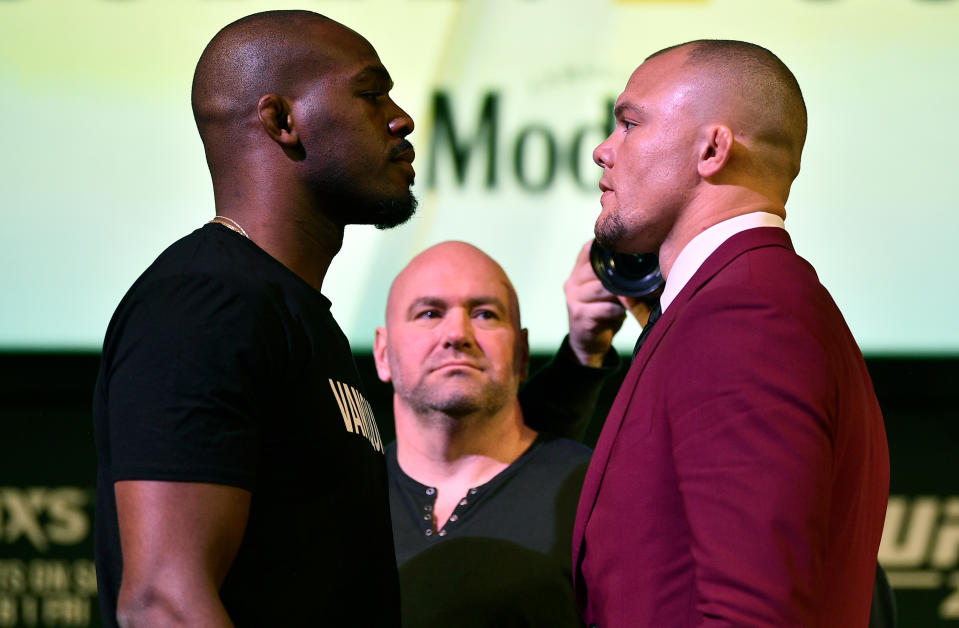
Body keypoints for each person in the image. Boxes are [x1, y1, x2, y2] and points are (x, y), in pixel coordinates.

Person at [93, 10, 416, 626]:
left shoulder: (293, 314)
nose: (401, 118)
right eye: (373, 94)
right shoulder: (206, 305)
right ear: (282, 120)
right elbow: (163, 603)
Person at [574, 40, 890, 627]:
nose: (603, 150)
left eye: (629, 123)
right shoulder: (747, 300)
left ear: (712, 149)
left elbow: (752, 612)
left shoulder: (743, 315)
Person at [372, 241, 634, 627]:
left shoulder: (599, 494)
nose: (457, 334)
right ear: (382, 353)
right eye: (429, 313)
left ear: (523, 353)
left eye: (484, 314)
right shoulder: (342, 500)